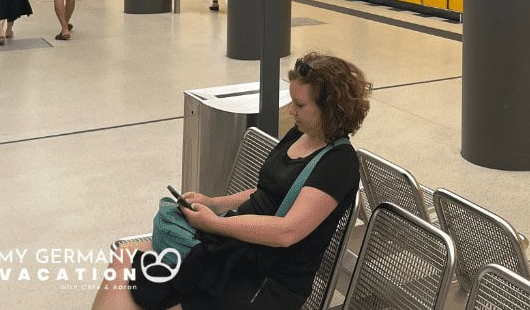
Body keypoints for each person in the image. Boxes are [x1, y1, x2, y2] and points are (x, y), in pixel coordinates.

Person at [92, 52, 372, 310]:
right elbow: (268, 191)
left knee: (150, 286)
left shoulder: (339, 163)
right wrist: (213, 203)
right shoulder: (301, 134)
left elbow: (286, 231)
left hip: (263, 281)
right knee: (125, 259)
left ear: (330, 109)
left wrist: (214, 223)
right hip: (236, 251)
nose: (291, 111)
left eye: (299, 104)